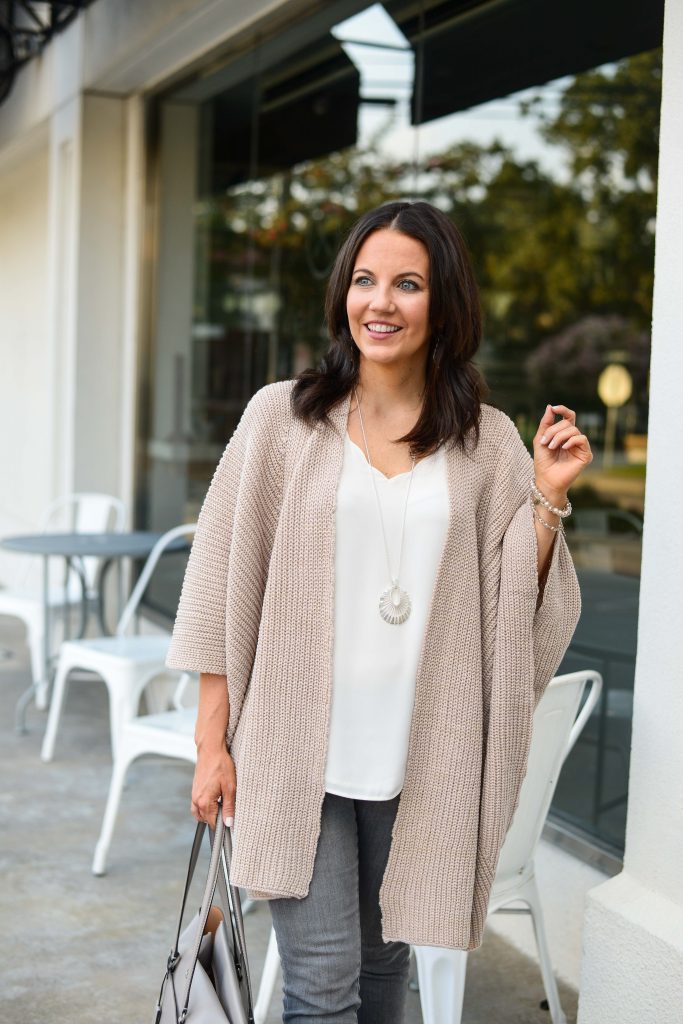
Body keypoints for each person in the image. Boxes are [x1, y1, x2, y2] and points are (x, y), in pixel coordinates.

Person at [166, 200, 591, 1023]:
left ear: (444, 305)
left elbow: (517, 610)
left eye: (406, 283)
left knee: (384, 972)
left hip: (418, 757)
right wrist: (210, 742)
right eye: (364, 281)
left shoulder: (488, 441)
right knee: (321, 986)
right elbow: (220, 583)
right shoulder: (280, 420)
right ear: (342, 296)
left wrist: (544, 499)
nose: (380, 302)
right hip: (296, 753)